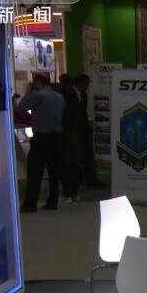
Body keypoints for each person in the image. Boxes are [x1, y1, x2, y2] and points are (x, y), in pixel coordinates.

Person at [17, 73, 65, 213]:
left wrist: (28, 92)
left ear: (37, 83)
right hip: (57, 137)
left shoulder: (37, 95)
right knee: (54, 171)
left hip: (41, 137)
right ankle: (52, 201)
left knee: (35, 171)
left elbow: (21, 108)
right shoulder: (59, 97)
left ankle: (30, 204)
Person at [56, 74, 84, 202]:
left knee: (70, 164)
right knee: (69, 164)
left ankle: (71, 192)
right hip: (68, 132)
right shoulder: (66, 94)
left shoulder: (72, 94)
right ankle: (70, 192)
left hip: (71, 132)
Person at [74, 74, 104, 187]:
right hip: (74, 130)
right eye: (87, 83)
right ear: (83, 83)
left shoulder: (84, 95)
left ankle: (90, 178)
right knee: (78, 155)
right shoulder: (69, 94)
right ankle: (81, 179)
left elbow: (83, 112)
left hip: (83, 128)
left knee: (87, 154)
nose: (88, 86)